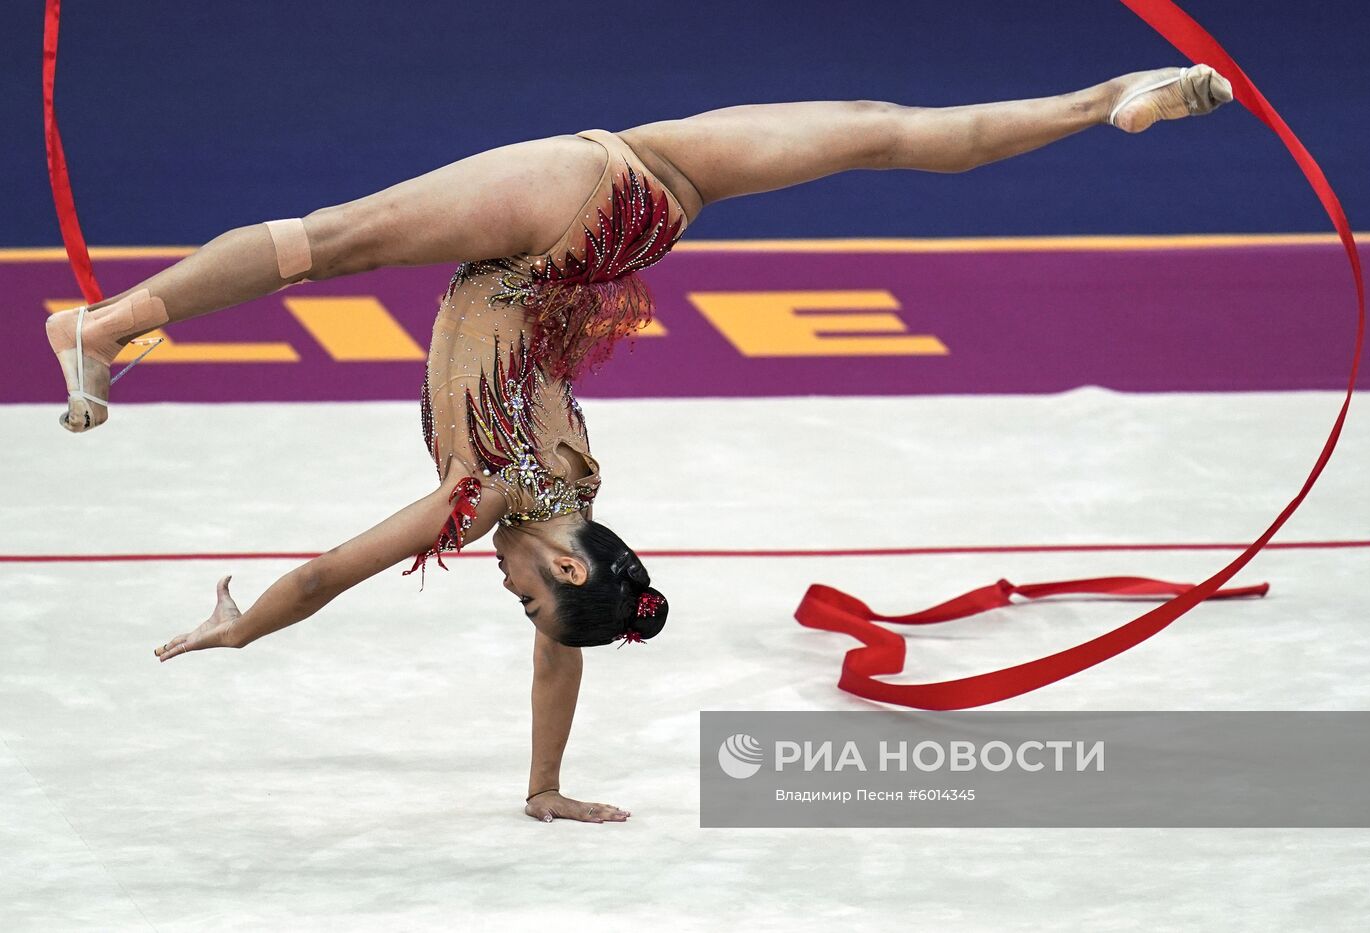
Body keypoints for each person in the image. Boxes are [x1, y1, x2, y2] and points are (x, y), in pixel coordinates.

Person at [46, 66, 1232, 823]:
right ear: (562, 565)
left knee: (880, 128)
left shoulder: (572, 488)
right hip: (560, 223)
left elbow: (569, 642)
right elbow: (323, 576)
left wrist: (545, 787)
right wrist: (239, 624)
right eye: (524, 601)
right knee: (333, 240)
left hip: (643, 210)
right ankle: (104, 324)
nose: (509, 599)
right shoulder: (487, 496)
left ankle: (1106, 99)